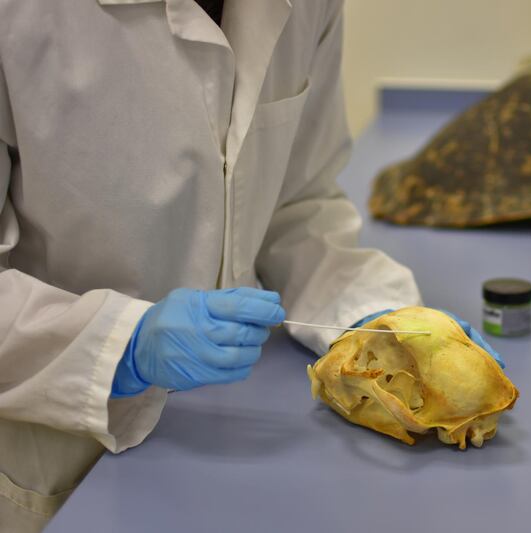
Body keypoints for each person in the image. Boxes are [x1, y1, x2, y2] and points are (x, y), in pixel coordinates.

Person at [0, 1, 502, 531]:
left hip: (233, 436)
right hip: (55, 448)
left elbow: (296, 204)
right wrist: (119, 345)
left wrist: (376, 321)